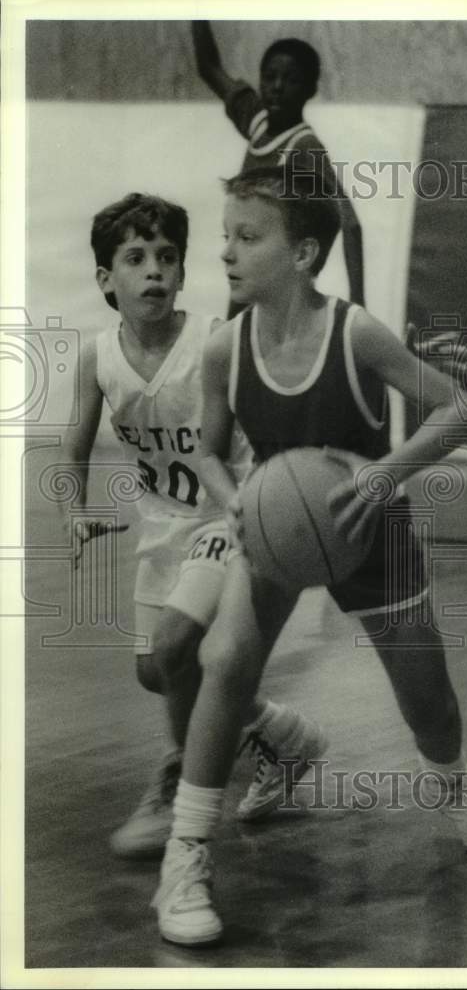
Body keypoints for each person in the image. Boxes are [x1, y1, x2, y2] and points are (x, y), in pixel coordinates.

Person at [152, 167, 467, 947]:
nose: (225, 252)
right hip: (275, 530)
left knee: (431, 708)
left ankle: (459, 787)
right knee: (224, 660)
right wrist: (237, 504)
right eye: (224, 235)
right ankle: (186, 855)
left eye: (247, 237)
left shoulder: (355, 333)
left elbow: (462, 406)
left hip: (369, 527)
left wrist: (387, 471)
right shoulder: (225, 349)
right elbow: (209, 451)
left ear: (304, 253)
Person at [59, 192, 328, 859]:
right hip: (163, 525)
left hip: (227, 511)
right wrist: (73, 514)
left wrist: (274, 502)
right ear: (105, 280)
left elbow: (264, 423)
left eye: (167, 257)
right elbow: (71, 450)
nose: (153, 270)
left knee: (180, 648)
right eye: (135, 257)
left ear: (182, 273)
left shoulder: (213, 339)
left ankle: (180, 790)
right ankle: (283, 735)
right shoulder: (97, 359)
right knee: (157, 672)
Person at [191, 20, 365, 310]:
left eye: (291, 80)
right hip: (245, 277)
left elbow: (351, 224)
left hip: (278, 289)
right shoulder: (256, 120)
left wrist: (359, 302)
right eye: (269, 77)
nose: (277, 87)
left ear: (310, 90)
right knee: (235, 346)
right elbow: (209, 67)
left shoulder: (304, 146)